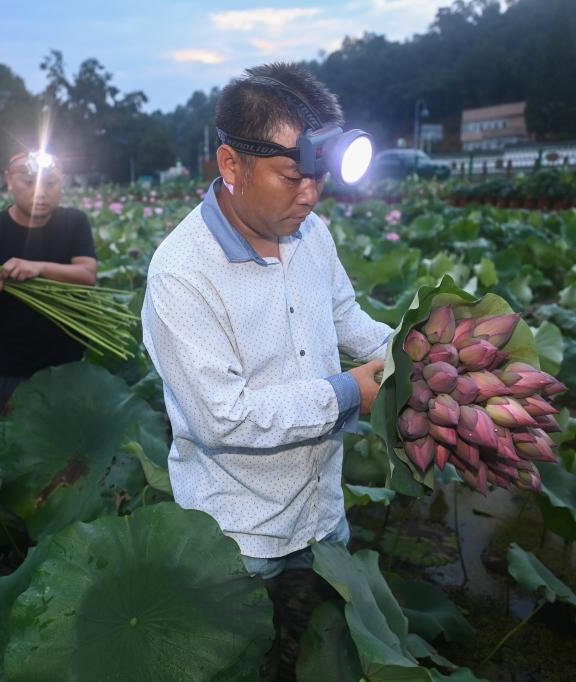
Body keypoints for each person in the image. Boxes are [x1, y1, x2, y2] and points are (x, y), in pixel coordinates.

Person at [140, 62, 389, 677]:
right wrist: (348, 392)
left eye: (319, 179)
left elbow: (345, 318)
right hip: (238, 540)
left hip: (321, 516)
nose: (310, 195)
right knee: (242, 667)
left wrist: (419, 351)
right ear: (231, 164)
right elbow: (224, 417)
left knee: (312, 657)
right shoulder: (180, 274)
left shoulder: (312, 233)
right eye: (292, 177)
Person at [0, 150, 97, 415]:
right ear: (9, 180)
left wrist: (38, 267)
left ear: (62, 182)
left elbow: (87, 275)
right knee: (21, 439)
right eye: (29, 182)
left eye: (50, 183)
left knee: (76, 436)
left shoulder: (74, 222)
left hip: (70, 364)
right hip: (14, 369)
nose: (40, 193)